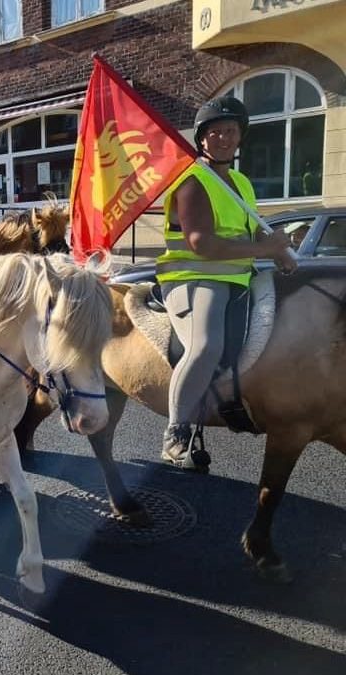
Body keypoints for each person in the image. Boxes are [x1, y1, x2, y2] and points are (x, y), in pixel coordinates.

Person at [155, 95, 297, 470]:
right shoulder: (192, 180)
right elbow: (202, 243)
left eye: (230, 131)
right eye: (214, 131)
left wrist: (277, 253)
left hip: (239, 274)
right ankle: (175, 435)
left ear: (240, 137)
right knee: (206, 344)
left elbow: (252, 234)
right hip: (195, 276)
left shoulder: (242, 184)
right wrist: (267, 247)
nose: (223, 137)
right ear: (202, 138)